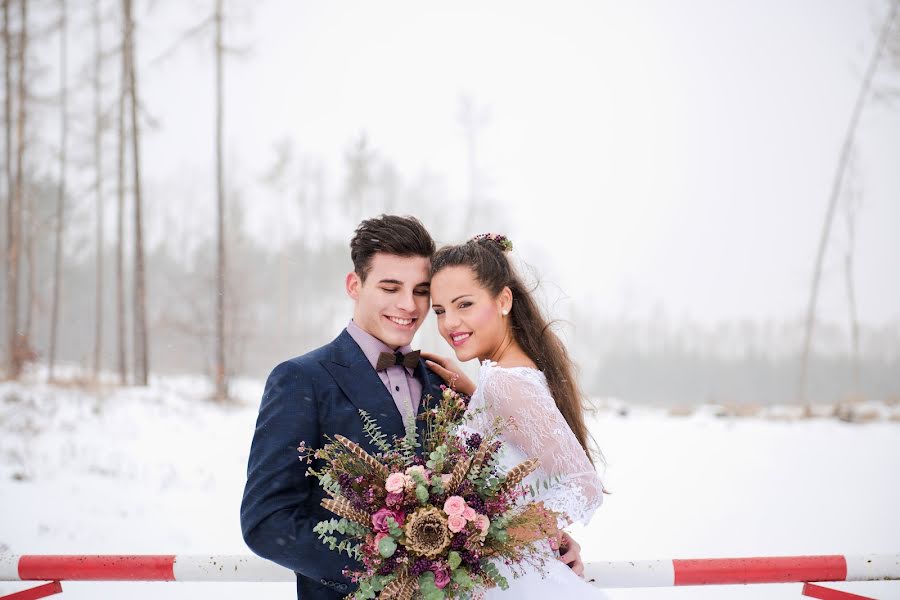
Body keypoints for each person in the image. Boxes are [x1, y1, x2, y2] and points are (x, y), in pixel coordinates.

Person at [241, 216, 588, 599]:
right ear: (354, 286)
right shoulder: (301, 379)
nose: (408, 305)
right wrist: (390, 568)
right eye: (390, 287)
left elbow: (488, 497)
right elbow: (267, 522)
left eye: (421, 291)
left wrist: (537, 539)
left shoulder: (445, 385)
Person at [427, 233, 606, 599]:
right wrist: (476, 395)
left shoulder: (507, 382)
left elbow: (582, 483)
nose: (449, 324)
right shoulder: (501, 378)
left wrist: (501, 536)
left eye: (464, 304)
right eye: (440, 311)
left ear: (503, 300)